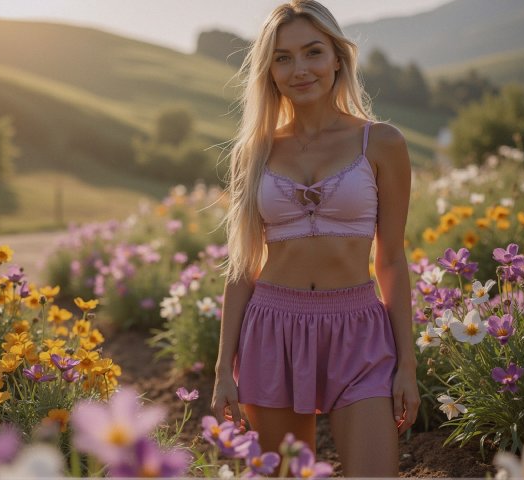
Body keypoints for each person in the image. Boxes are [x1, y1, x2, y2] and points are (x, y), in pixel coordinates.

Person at [211, 0, 420, 476]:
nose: (299, 69)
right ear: (268, 69)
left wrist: (406, 364)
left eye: (312, 52)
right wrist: (224, 368)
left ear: (338, 58)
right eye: (283, 57)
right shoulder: (255, 151)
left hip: (359, 331)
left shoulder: (382, 142)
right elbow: (243, 265)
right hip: (272, 328)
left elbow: (391, 260)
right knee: (283, 475)